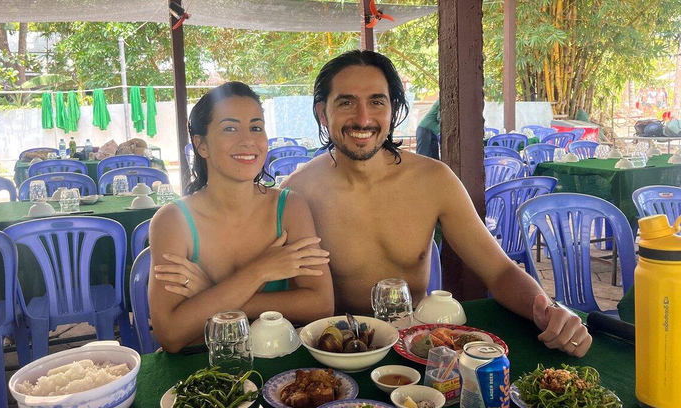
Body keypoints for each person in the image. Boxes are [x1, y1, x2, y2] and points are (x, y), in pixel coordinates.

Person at [283, 50, 592, 357]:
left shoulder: (433, 180)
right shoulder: (298, 193)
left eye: (377, 102)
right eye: (346, 102)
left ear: (393, 111)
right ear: (323, 114)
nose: (363, 118)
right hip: (338, 355)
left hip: (415, 349)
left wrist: (548, 309)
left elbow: (499, 271)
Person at [148, 82, 333, 353]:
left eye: (256, 127)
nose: (248, 140)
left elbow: (320, 306)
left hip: (278, 364)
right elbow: (171, 335)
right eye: (230, 128)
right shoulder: (173, 222)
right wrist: (260, 271)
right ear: (201, 145)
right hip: (203, 371)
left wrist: (210, 296)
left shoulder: (289, 207)